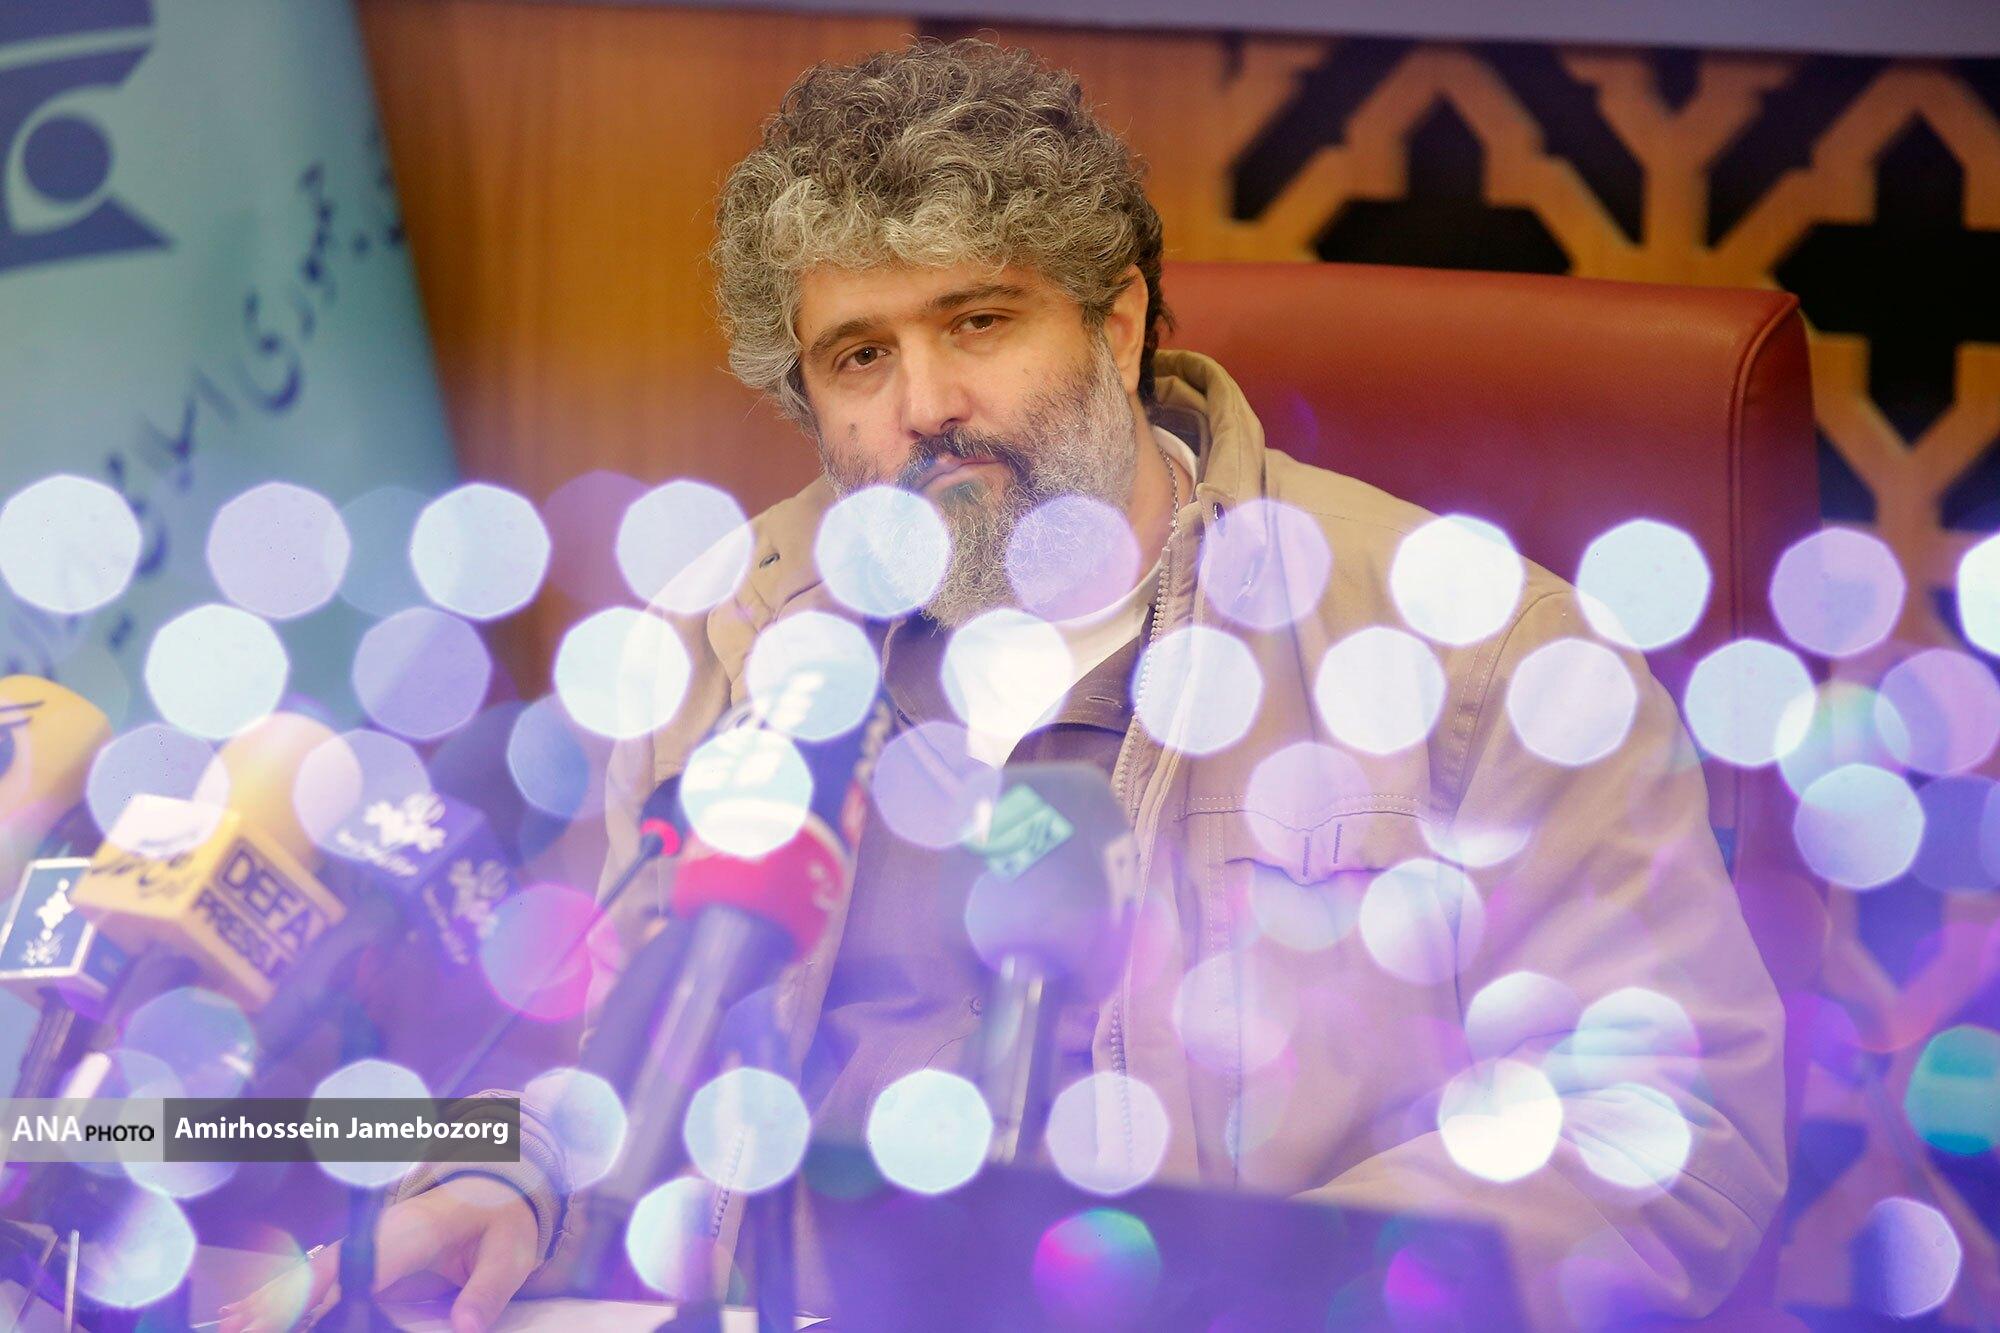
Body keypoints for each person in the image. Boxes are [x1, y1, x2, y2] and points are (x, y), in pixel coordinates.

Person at [224, 37, 1785, 1332]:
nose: (927, 406)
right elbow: (588, 1047)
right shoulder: (718, 646)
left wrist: (1223, 1295)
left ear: (1118, 323)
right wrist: (507, 1174)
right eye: (859, 357)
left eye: (979, 322)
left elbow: (1670, 1130)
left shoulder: (1480, 649)